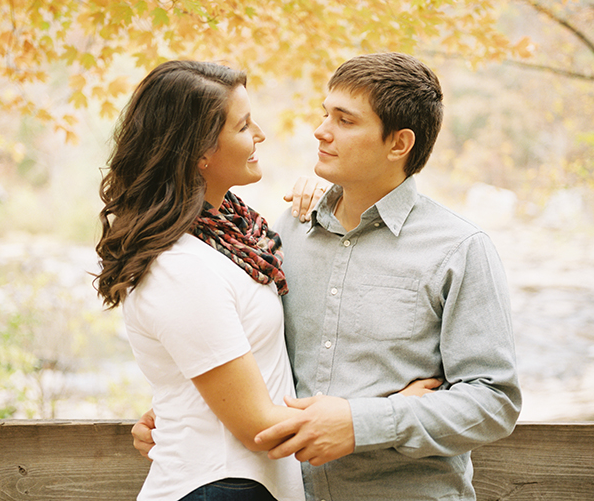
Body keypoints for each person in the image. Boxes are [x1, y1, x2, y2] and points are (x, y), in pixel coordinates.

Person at [133, 53, 522, 500]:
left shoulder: (458, 249)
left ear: (398, 144)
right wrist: (190, 404)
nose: (321, 130)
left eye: (345, 120)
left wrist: (367, 423)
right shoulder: (287, 231)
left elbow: (494, 402)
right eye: (325, 113)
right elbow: (249, 349)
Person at [95, 60, 309, 501]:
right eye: (244, 125)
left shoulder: (235, 237)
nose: (260, 135)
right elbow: (257, 428)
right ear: (200, 151)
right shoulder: (180, 268)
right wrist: (390, 413)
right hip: (217, 485)